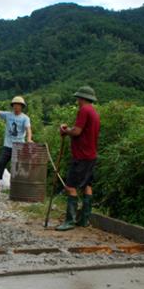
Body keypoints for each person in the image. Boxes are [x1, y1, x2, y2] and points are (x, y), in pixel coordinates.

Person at [56, 86, 100, 231]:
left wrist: (65, 130)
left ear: (82, 98)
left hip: (81, 156)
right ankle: (84, 219)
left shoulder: (84, 110)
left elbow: (77, 131)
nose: (77, 101)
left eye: (78, 98)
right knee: (87, 185)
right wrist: (69, 131)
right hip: (91, 155)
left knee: (70, 186)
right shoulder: (94, 112)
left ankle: (69, 221)